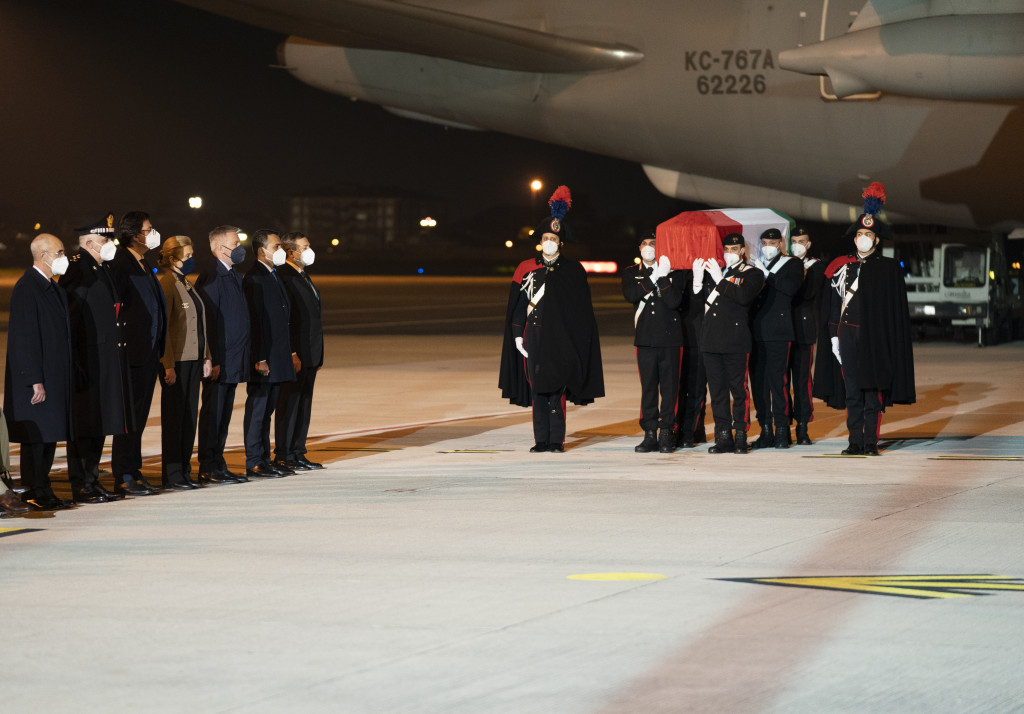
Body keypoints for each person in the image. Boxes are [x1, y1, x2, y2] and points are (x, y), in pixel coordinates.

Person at [499, 186, 604, 452]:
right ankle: (540, 441)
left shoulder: (573, 270)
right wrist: (517, 335)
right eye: (545, 237)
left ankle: (556, 440)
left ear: (560, 243)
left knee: (557, 390)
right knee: (538, 391)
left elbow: (581, 313)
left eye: (553, 239)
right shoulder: (526, 268)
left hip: (561, 339)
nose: (549, 242)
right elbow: (519, 306)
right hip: (533, 337)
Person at [814, 183, 916, 455]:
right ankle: (853, 442)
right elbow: (834, 305)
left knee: (873, 392)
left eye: (868, 234)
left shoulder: (888, 269)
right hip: (847, 335)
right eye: (859, 233)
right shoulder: (841, 267)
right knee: (852, 392)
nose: (862, 238)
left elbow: (893, 315)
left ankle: (870, 442)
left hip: (874, 338)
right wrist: (833, 335)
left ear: (877, 239)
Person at [59, 214, 132, 504]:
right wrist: (75, 362)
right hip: (87, 361)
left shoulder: (102, 269)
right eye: (105, 240)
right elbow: (72, 322)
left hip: (104, 361)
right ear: (89, 242)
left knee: (100, 423)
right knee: (85, 425)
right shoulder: (78, 271)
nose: (110, 244)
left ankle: (92, 479)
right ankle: (82, 483)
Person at [4, 234, 75, 511]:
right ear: (43, 255)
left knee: (49, 435)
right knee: (36, 439)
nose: (63, 256)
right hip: (37, 378)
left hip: (53, 376)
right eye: (59, 252)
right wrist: (34, 379)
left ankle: (44, 489)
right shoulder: (27, 287)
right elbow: (24, 338)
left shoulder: (51, 287)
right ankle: (35, 489)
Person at [107, 211, 168, 496]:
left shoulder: (142, 263)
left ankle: (135, 469)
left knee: (139, 417)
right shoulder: (121, 263)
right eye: (149, 228)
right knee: (128, 419)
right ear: (135, 234)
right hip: (130, 355)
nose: (153, 233)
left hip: (147, 353)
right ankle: (123, 474)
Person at [695, 232, 765, 454]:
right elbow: (701, 305)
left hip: (735, 340)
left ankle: (741, 435)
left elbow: (743, 297)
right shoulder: (715, 271)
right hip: (711, 339)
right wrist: (698, 280)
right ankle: (723, 436)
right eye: (726, 249)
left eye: (734, 249)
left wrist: (720, 280)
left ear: (743, 251)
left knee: (739, 390)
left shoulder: (752, 274)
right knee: (716, 392)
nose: (729, 253)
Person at [195, 225, 250, 484]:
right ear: (219, 248)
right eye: (235, 244)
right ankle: (208, 465)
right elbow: (208, 321)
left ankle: (218, 463)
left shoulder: (233, 275)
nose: (240, 248)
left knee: (224, 416)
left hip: (233, 360)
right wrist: (212, 359)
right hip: (220, 361)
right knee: (213, 415)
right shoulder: (212, 276)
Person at [158, 236, 213, 489]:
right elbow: (164, 329)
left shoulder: (186, 283)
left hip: (193, 360)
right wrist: (167, 364)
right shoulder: (167, 283)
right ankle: (172, 473)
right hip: (177, 362)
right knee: (174, 419)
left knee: (189, 417)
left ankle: (184, 469)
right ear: (172, 258)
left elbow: (200, 324)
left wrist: (206, 356)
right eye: (187, 255)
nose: (192, 259)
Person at [622, 231, 682, 453]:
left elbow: (675, 301)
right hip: (645, 340)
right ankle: (649, 433)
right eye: (644, 244)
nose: (648, 247)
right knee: (648, 389)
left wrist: (664, 277)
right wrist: (653, 277)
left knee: (669, 389)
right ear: (639, 249)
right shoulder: (630, 273)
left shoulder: (674, 273)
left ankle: (667, 432)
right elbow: (631, 295)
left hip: (671, 339)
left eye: (653, 243)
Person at [242, 229, 296, 477]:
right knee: (258, 411)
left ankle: (264, 458)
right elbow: (255, 322)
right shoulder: (254, 278)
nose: (280, 251)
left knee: (267, 412)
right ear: (262, 251)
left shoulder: (271, 275)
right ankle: (254, 460)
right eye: (276, 247)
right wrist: (259, 357)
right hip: (265, 358)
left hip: (277, 356)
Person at [748, 228, 804, 449]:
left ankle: (782, 430)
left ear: (780, 243)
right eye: (763, 243)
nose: (767, 247)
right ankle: (766, 429)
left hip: (779, 332)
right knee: (759, 383)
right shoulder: (755, 266)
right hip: (756, 332)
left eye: (772, 242)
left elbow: (790, 289)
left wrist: (767, 275)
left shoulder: (792, 264)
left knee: (777, 381)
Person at [274, 232, 324, 471]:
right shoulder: (284, 276)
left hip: (311, 353)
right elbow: (286, 320)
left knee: (304, 403)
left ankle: (297, 451)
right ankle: (283, 453)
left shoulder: (302, 275)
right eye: (304, 247)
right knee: (290, 403)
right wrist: (292, 352)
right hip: (296, 354)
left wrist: (318, 353)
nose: (309, 250)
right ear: (290, 252)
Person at [786, 227, 825, 445]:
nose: (797, 244)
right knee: (781, 382)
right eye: (794, 240)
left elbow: (808, 293)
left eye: (801, 241)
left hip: (803, 332)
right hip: (782, 331)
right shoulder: (784, 263)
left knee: (802, 382)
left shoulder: (815, 266)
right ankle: (783, 425)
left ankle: (802, 426)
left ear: (808, 244)